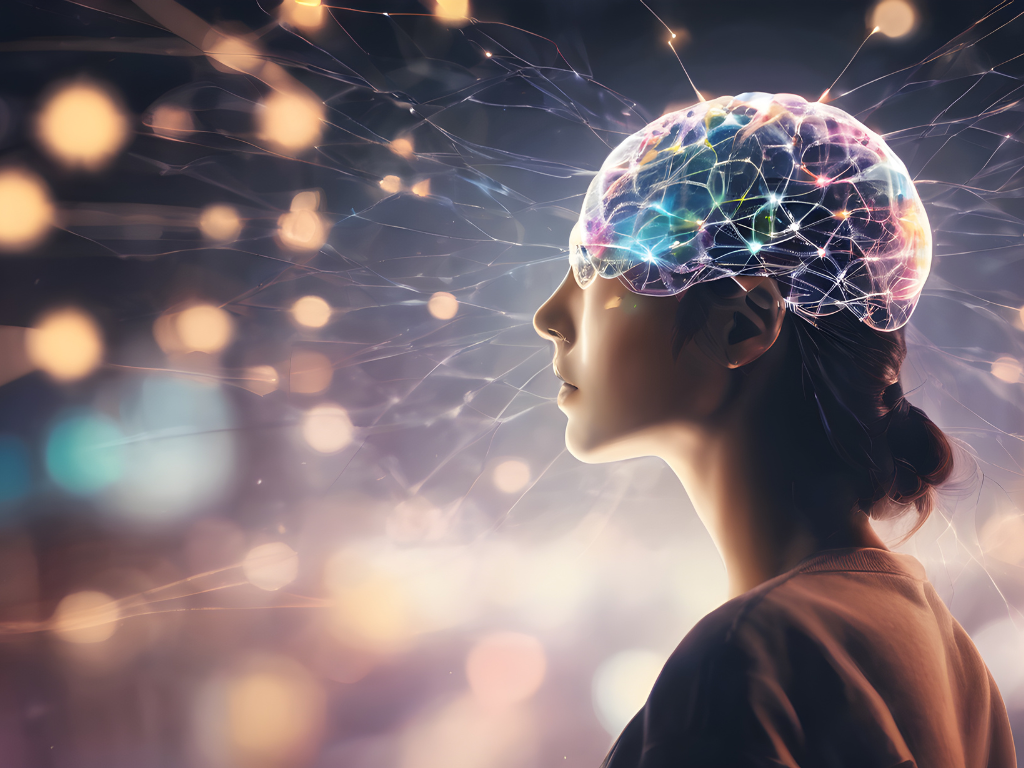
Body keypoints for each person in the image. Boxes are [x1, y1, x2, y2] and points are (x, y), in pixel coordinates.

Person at [533, 93, 1017, 767]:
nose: (549, 316)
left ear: (743, 324)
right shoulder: (946, 653)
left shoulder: (740, 661)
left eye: (597, 267)